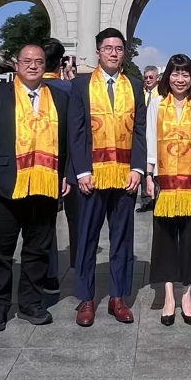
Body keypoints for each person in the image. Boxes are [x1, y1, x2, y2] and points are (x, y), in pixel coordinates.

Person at [0, 44, 71, 331]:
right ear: (17, 64)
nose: (32, 66)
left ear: (45, 65)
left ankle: (31, 303)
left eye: (38, 61)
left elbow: (66, 141)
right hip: (6, 184)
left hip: (45, 183)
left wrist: (65, 174)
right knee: (1, 250)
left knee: (37, 249)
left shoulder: (58, 98)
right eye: (27, 61)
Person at [68, 27, 146, 326]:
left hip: (125, 176)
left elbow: (139, 130)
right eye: (108, 48)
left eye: (119, 48)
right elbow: (76, 131)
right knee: (87, 238)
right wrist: (82, 171)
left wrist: (138, 168)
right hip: (92, 176)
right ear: (98, 51)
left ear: (124, 52)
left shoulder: (134, 86)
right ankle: (86, 298)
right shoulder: (81, 84)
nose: (114, 53)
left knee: (122, 240)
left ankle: (118, 297)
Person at [145, 54, 191, 325]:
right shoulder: (157, 103)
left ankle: (187, 296)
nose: (180, 79)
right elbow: (151, 139)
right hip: (164, 180)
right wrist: (149, 175)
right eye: (175, 73)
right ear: (167, 77)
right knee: (165, 238)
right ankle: (169, 296)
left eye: (185, 74)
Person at [42, 38, 75, 296]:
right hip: (63, 165)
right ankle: (56, 271)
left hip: (32, 162)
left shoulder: (22, 88)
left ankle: (43, 271)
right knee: (54, 220)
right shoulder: (70, 89)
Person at [136, 65, 162, 214]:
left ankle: (157, 196)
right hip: (142, 135)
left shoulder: (162, 94)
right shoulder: (142, 93)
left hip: (157, 135)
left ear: (157, 78)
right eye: (145, 77)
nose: (148, 80)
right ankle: (146, 199)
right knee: (144, 165)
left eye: (151, 77)